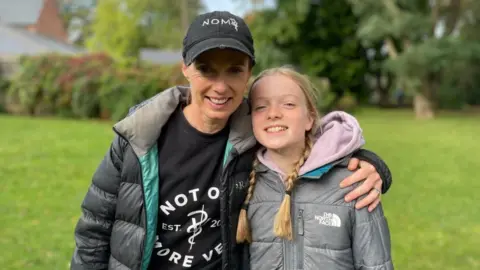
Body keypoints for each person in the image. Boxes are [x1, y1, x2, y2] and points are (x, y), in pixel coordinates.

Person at [70, 11, 392, 270]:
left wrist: (371, 165)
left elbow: (310, 140)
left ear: (249, 72)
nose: (221, 87)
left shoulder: (253, 134)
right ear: (185, 68)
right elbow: (94, 231)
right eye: (207, 70)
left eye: (234, 70)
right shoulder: (139, 140)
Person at [236, 67, 393, 269]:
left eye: (289, 104)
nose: (273, 114)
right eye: (260, 107)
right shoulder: (242, 183)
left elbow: (376, 264)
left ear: (310, 118)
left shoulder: (354, 184)